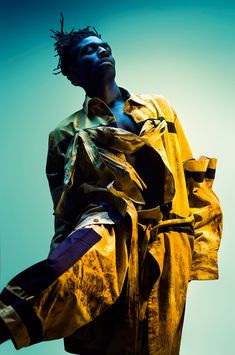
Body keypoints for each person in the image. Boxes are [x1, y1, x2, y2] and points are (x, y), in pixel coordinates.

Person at [0, 14, 223, 355]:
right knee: (107, 334)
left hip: (168, 236)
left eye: (104, 46)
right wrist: (62, 263)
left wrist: (199, 253)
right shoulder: (64, 133)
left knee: (159, 340)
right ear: (73, 73)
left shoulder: (158, 107)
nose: (102, 51)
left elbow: (190, 176)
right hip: (109, 227)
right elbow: (64, 210)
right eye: (89, 50)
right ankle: (9, 317)